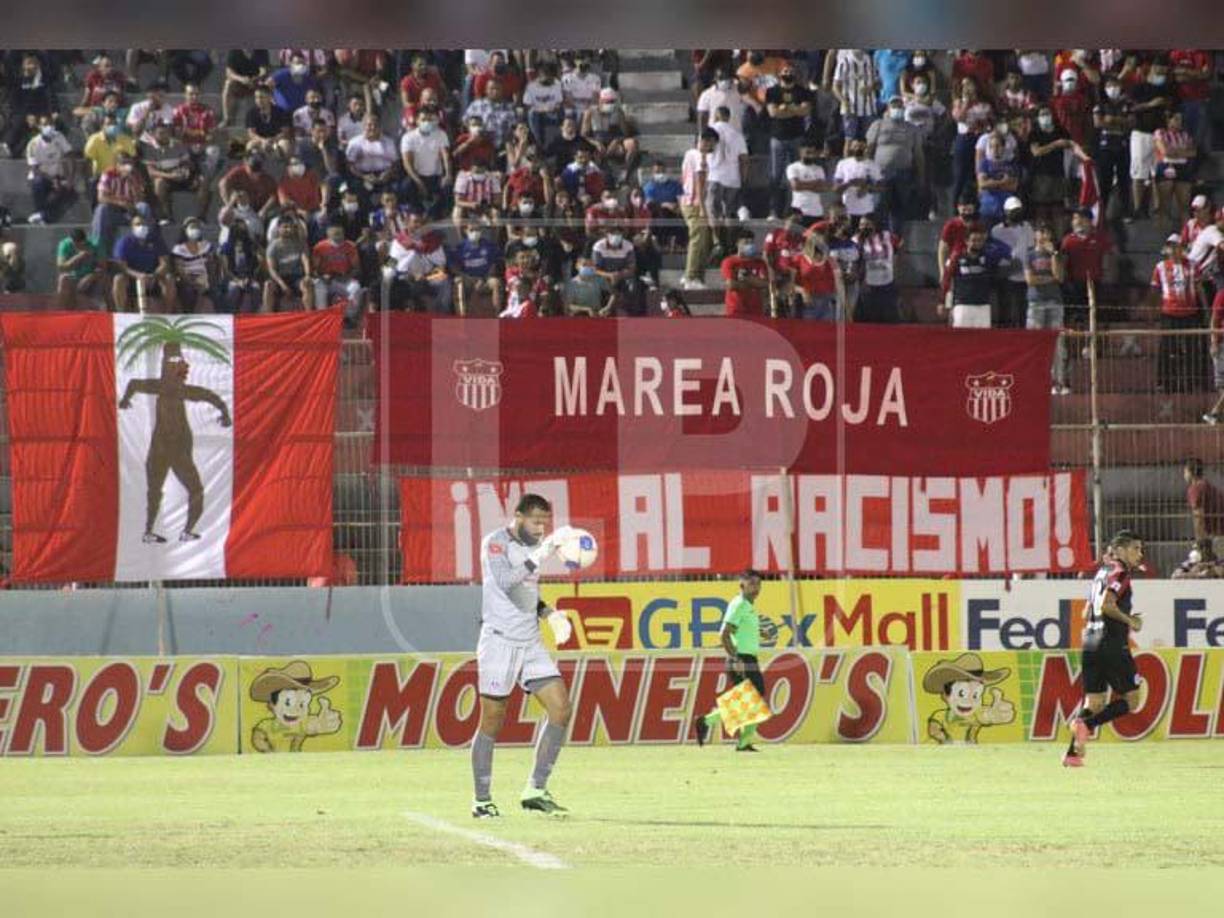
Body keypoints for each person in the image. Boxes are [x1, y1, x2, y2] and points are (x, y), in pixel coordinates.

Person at [470, 494, 575, 817]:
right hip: (499, 641)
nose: (542, 527)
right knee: (493, 719)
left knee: (561, 708)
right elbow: (504, 583)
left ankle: (535, 789)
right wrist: (541, 555)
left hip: (529, 641)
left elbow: (526, 592)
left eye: (546, 521)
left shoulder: (533, 547)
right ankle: (482, 800)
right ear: (518, 516)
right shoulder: (496, 543)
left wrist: (550, 615)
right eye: (536, 520)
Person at [1063, 531, 1147, 767]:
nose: (1139, 554)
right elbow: (1107, 605)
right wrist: (1131, 621)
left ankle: (1072, 754)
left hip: (1090, 641)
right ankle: (1086, 726)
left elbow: (1086, 611)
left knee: (1094, 702)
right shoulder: (1120, 572)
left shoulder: (1100, 573)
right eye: (1135, 549)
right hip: (1111, 643)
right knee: (1131, 700)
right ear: (1119, 550)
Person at [693, 569, 770, 753]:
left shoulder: (748, 606)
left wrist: (760, 632)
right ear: (741, 585)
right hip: (741, 659)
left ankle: (742, 742)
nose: (756, 588)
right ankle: (706, 721)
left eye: (758, 584)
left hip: (748, 658)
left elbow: (738, 629)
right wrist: (735, 658)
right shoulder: (740, 604)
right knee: (754, 699)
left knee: (754, 700)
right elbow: (724, 633)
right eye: (751, 584)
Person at [1150, 235, 1207, 393]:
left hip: (1190, 313)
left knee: (1192, 349)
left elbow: (1199, 288)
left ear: (1183, 248)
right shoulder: (1160, 267)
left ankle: (1192, 382)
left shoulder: (1192, 266)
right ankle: (1165, 383)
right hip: (1169, 313)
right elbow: (1154, 291)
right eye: (1172, 246)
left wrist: (1205, 310)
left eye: (1178, 246)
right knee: (1167, 348)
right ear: (1167, 249)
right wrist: (1154, 313)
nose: (1175, 250)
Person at [866, 95, 924, 232]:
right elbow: (869, 149)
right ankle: (878, 240)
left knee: (899, 210)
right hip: (880, 173)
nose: (897, 108)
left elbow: (919, 155)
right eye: (894, 106)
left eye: (899, 106)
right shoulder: (878, 124)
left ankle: (895, 242)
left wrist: (921, 177)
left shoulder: (912, 128)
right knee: (879, 207)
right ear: (888, 108)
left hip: (904, 173)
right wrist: (867, 172)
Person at [763, 63, 812, 219]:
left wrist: (785, 108)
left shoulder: (803, 91)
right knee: (775, 176)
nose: (788, 73)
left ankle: (796, 210)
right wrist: (794, 109)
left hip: (797, 137)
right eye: (785, 70)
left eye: (790, 71)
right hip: (777, 138)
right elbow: (773, 113)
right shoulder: (772, 91)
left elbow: (805, 111)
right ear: (780, 73)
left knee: (798, 175)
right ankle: (773, 211)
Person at [1025, 223, 1070, 394]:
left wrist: (1053, 254)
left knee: (1057, 343)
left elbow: (1059, 276)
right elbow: (1031, 280)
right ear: (1035, 235)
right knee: (1034, 342)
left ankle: (1058, 382)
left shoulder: (1057, 255)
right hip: (1035, 302)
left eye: (1047, 232)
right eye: (1040, 232)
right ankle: (1033, 380)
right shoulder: (1029, 255)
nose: (1044, 235)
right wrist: (1049, 279)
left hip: (1055, 302)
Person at [942, 223, 1007, 328]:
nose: (977, 243)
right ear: (966, 241)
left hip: (983, 305)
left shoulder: (989, 258)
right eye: (974, 240)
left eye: (980, 240)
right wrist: (942, 301)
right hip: (962, 305)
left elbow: (1005, 254)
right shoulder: (957, 257)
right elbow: (946, 279)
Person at [111, 213, 177, 312]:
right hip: (132, 279)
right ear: (132, 227)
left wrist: (154, 275)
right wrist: (138, 275)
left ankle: (168, 313)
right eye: (137, 224)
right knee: (118, 279)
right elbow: (122, 266)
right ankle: (121, 312)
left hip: (153, 278)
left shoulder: (156, 240)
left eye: (143, 224)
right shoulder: (124, 242)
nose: (141, 227)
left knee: (169, 278)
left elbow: (164, 263)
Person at [679, 129, 717, 291]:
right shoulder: (699, 156)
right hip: (695, 203)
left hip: (688, 200)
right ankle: (690, 276)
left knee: (704, 241)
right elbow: (700, 183)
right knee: (698, 239)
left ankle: (697, 276)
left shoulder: (689, 154)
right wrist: (702, 207)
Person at [990, 196, 1034, 328]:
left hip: (1024, 276)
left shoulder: (1027, 227)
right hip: (1006, 276)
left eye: (1018, 210)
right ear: (1006, 212)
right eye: (1013, 211)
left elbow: (1031, 248)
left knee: (1023, 311)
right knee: (1006, 311)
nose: (1016, 213)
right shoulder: (996, 230)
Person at [24, 114, 75, 224]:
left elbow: (70, 155)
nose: (49, 127)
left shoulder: (59, 136)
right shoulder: (33, 144)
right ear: (39, 126)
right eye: (45, 124)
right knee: (38, 183)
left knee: (70, 193)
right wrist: (52, 180)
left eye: (51, 124)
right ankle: (43, 214)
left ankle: (42, 215)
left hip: (58, 175)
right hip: (41, 176)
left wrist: (70, 178)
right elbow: (35, 169)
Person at [312, 221, 365, 319]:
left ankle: (348, 317)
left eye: (340, 234)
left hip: (343, 278)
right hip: (326, 280)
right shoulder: (320, 247)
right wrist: (322, 276)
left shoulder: (350, 246)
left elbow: (357, 268)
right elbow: (314, 270)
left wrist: (348, 276)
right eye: (335, 234)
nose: (338, 237)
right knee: (318, 286)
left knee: (355, 287)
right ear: (328, 233)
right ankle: (322, 316)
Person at [854, 215, 901, 323]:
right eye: (861, 225)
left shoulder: (887, 236)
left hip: (887, 284)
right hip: (868, 286)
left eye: (867, 224)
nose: (863, 227)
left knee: (889, 319)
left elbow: (898, 247)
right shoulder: (856, 240)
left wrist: (895, 267)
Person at [1153, 110, 1197, 226]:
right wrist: (1182, 152)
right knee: (1164, 203)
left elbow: (1193, 152)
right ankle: (1161, 232)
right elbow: (1165, 151)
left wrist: (1175, 152)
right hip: (1166, 166)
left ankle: (1186, 232)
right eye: (1176, 119)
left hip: (1183, 167)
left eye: (1181, 120)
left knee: (1184, 205)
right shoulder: (1160, 133)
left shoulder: (1185, 135)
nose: (1179, 122)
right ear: (1168, 120)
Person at [450, 221, 504, 315]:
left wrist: (483, 279)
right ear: (466, 230)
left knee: (496, 283)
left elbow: (494, 264)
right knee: (458, 282)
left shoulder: (489, 246)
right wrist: (469, 279)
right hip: (468, 279)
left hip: (486, 279)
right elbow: (454, 267)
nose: (475, 232)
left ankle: (497, 315)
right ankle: (461, 316)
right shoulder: (460, 247)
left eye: (478, 229)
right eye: (472, 230)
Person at [264, 219, 314, 312]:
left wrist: (307, 275)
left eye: (291, 227)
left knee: (307, 284)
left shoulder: (300, 243)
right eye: (285, 227)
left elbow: (305, 260)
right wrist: (282, 285)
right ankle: (268, 316)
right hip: (280, 278)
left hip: (297, 277)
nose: (289, 229)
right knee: (268, 285)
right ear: (279, 229)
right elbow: (271, 269)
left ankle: (308, 314)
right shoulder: (273, 246)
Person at [793, 234, 845, 320]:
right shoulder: (798, 259)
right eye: (817, 253)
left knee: (825, 330)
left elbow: (837, 280)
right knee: (808, 330)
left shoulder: (829, 261)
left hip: (826, 302)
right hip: (808, 302)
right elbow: (790, 283)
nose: (820, 257)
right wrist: (802, 291)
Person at [56, 228, 109, 310]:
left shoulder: (95, 244)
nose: (80, 246)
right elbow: (61, 267)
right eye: (77, 245)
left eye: (82, 244)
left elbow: (103, 267)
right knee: (63, 279)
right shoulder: (65, 244)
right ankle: (64, 312)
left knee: (104, 279)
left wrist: (90, 277)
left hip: (92, 277)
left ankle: (102, 307)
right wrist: (79, 256)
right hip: (74, 277)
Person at [719, 229, 769, 318]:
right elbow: (731, 285)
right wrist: (754, 283)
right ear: (737, 243)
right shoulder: (730, 262)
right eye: (746, 243)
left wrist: (746, 279)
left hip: (756, 311)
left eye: (751, 243)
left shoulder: (759, 263)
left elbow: (765, 284)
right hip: (736, 310)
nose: (749, 246)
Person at [833, 139, 884, 222]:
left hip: (867, 212)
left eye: (861, 146)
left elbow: (881, 187)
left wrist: (867, 187)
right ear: (851, 148)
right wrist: (850, 183)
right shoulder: (843, 163)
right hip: (847, 211)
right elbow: (835, 189)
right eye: (855, 146)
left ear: (866, 148)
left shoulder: (873, 165)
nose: (858, 149)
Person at [1184, 458, 1224, 546]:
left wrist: (1200, 542)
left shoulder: (1195, 489)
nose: (1184, 475)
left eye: (1185, 472)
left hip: (1214, 538)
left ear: (1191, 473)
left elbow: (1198, 517)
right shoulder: (1209, 487)